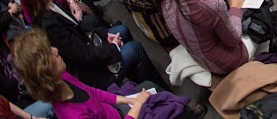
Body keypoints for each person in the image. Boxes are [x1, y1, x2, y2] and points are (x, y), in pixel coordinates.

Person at [14, 0, 162, 90]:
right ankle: (158, 94)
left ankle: (137, 86)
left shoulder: (48, 2)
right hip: (90, 74)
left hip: (89, 46)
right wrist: (113, 48)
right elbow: (83, 55)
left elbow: (77, 30)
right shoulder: (48, 23)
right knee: (135, 49)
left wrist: (105, 34)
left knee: (122, 31)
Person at [11, 29, 178, 119]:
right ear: (45, 72)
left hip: (116, 111)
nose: (55, 50)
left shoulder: (61, 78)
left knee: (150, 91)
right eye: (49, 55)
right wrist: (138, 105)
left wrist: (129, 100)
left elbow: (92, 92)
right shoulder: (75, 115)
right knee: (167, 103)